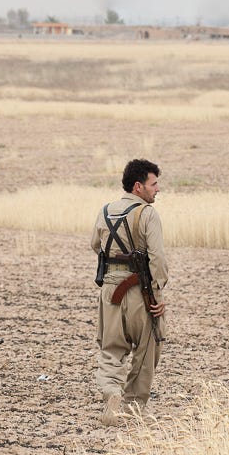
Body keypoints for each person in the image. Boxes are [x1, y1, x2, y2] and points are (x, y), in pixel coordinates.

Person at [90, 159, 168, 426]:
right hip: (139, 291)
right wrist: (157, 295)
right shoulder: (146, 214)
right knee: (147, 349)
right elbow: (157, 258)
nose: (157, 189)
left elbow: (94, 244)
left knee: (110, 350)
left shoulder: (106, 210)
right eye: (153, 184)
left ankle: (111, 393)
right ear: (138, 186)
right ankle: (133, 405)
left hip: (110, 291)